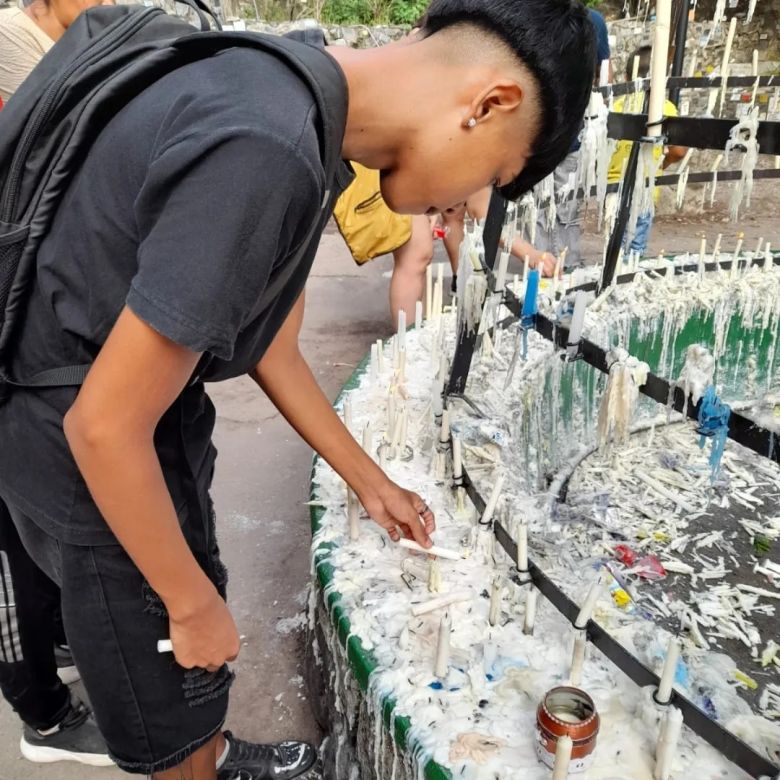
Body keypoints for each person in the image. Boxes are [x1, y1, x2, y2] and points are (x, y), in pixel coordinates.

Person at [0, 1, 595, 779]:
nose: (458, 207)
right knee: (174, 723)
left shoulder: (287, 87)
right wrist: (190, 602)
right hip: (100, 477)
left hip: (98, 438)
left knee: (183, 699)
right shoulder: (270, 143)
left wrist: (369, 480)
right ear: (488, 105)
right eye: (490, 175)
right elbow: (105, 427)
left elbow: (270, 345)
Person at [0, 0, 114, 767]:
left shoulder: (63, 36)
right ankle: (41, 714)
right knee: (4, 560)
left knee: (23, 515)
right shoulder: (13, 41)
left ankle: (54, 638)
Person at [533, 7, 611, 266]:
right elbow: (604, 74)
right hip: (540, 131)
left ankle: (562, 266)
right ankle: (547, 267)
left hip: (571, 129)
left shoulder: (591, 21)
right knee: (543, 208)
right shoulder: (535, 15)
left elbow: (603, 74)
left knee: (564, 207)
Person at [608, 44, 687, 256]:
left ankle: (611, 279)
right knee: (635, 249)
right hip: (646, 188)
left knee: (615, 246)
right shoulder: (666, 108)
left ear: (627, 77)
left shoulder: (617, 106)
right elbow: (679, 151)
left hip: (615, 187)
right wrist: (664, 163)